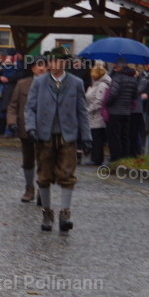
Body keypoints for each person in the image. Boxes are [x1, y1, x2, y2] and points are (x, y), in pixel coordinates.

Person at [24, 48, 92, 233]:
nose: (53, 65)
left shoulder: (76, 83)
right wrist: (31, 127)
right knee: (44, 176)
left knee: (67, 175)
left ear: (64, 63)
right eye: (51, 62)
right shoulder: (39, 82)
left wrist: (86, 137)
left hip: (67, 135)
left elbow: (82, 111)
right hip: (44, 136)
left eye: (57, 62)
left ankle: (65, 212)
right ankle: (47, 213)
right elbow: (30, 108)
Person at [6, 55, 47, 202]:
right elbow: (13, 105)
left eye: (45, 65)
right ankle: (29, 188)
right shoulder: (22, 84)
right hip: (26, 128)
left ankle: (43, 189)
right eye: (39, 65)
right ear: (33, 68)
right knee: (28, 160)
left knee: (44, 160)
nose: (42, 68)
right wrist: (12, 122)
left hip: (46, 130)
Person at [105, 56, 138, 162]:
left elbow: (114, 93)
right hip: (127, 111)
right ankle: (125, 157)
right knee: (125, 135)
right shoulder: (133, 78)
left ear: (119, 67)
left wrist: (107, 103)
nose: (114, 68)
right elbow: (135, 95)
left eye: (115, 66)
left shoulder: (117, 77)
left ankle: (115, 158)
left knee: (114, 135)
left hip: (115, 110)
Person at [85, 64, 111, 166]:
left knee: (97, 139)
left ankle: (96, 159)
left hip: (97, 116)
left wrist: (88, 110)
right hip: (92, 116)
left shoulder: (102, 85)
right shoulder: (95, 84)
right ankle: (95, 157)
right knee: (95, 138)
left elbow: (98, 101)